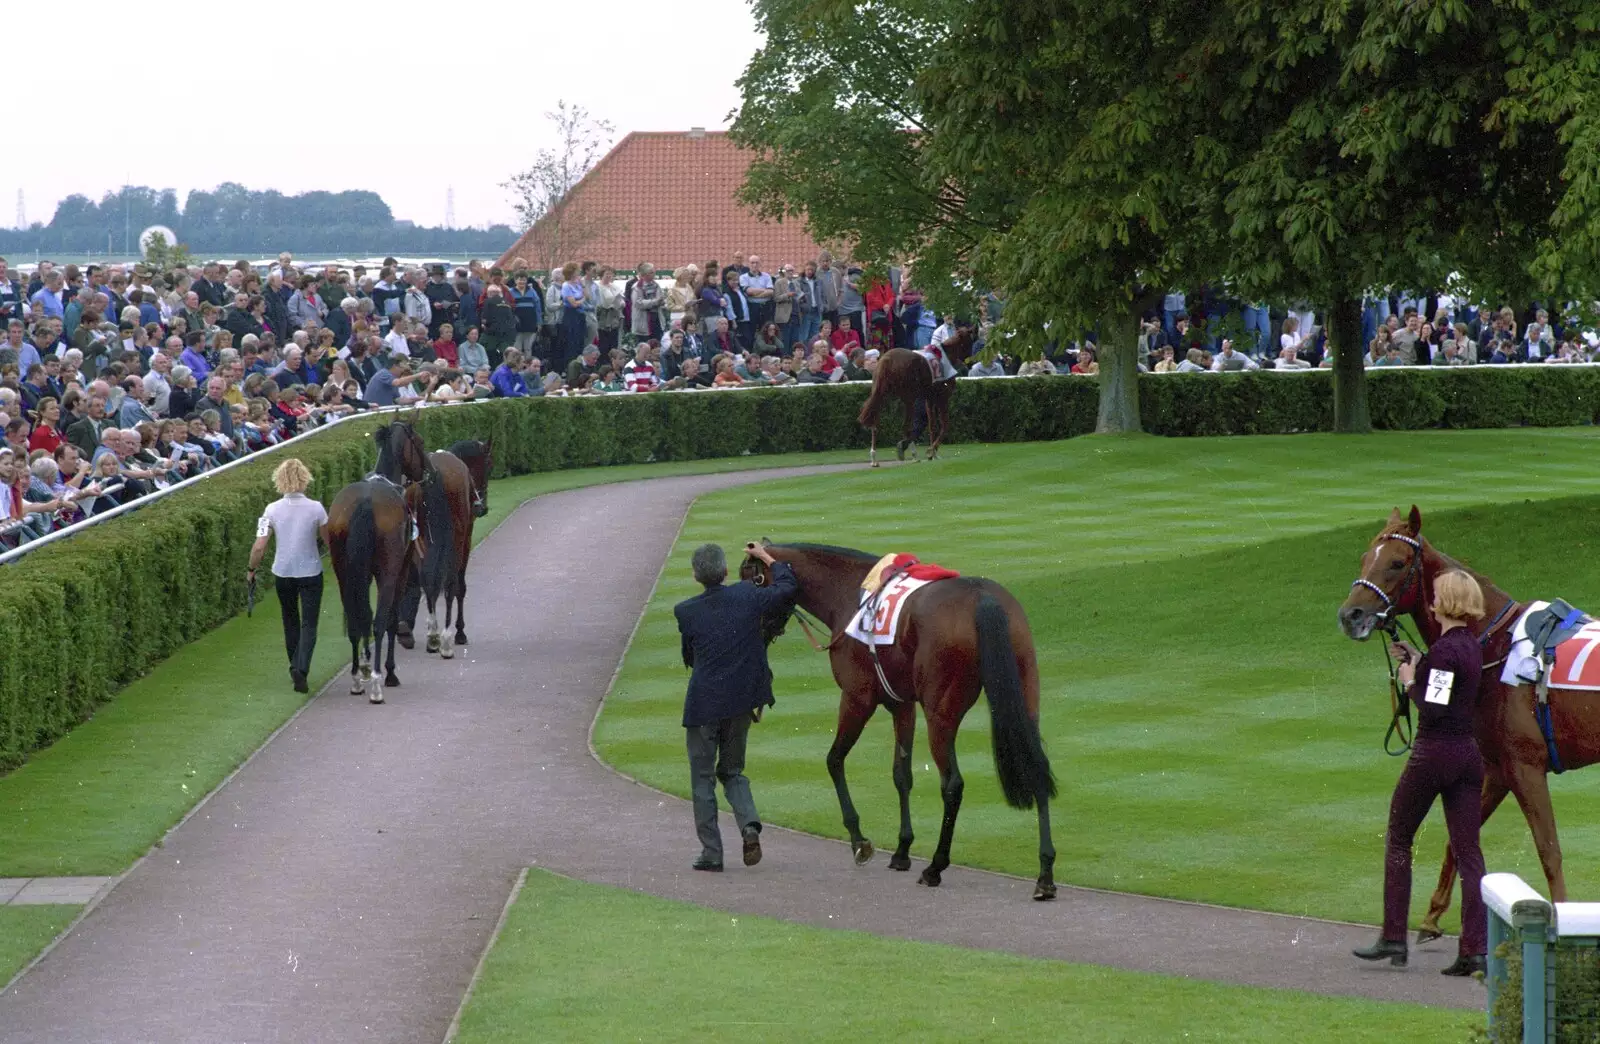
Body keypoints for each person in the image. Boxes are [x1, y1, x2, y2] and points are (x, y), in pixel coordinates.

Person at [1353, 569, 1488, 977]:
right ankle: (1474, 949)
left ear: (1445, 602)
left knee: (1398, 838)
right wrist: (1418, 660)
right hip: (1467, 755)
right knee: (1469, 853)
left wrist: (1410, 679)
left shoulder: (1446, 651)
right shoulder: (1468, 646)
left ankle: (1394, 936)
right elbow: (1448, 688)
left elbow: (1432, 706)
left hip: (1434, 753)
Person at [673, 542, 798, 872]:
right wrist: (767, 558)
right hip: (741, 702)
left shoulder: (686, 611)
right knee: (732, 772)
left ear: (695, 576)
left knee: (702, 781)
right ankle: (748, 825)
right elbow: (787, 587)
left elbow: (690, 657)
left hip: (702, 707)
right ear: (726, 571)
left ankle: (712, 854)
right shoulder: (747, 595)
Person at [248, 458, 330, 694]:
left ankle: (294, 663)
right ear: (305, 478)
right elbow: (328, 540)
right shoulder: (316, 507)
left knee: (290, 619)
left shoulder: (271, 509)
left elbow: (259, 546)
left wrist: (251, 569)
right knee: (309, 623)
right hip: (311, 571)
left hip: (283, 572)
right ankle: (301, 667)